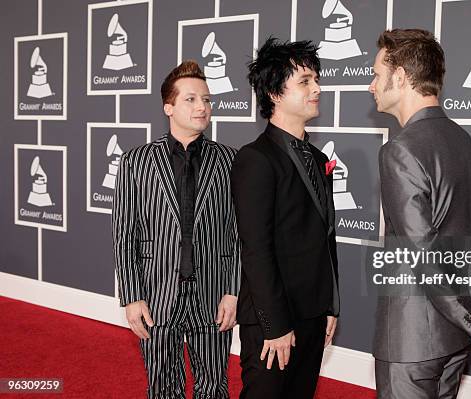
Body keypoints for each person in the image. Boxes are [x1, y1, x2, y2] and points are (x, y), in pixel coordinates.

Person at [368, 29, 471, 399]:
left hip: (411, 341)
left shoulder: (399, 150)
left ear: (400, 77)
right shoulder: (467, 145)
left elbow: (421, 252)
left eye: (377, 75)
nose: (371, 86)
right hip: (455, 340)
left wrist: (470, 319)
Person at [112, 60, 240, 399]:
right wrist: (132, 296)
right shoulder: (135, 161)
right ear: (168, 106)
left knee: (214, 387)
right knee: (163, 387)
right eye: (191, 99)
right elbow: (124, 234)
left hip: (213, 293)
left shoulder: (231, 160)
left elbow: (240, 233)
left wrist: (233, 290)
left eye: (208, 100)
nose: (202, 106)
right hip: (156, 293)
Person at [230, 37, 340, 399]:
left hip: (312, 313)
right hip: (271, 318)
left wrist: (330, 306)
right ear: (275, 93)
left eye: (316, 79)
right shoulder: (255, 159)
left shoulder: (317, 156)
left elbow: (326, 237)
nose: (317, 88)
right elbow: (256, 249)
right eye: (305, 81)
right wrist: (275, 326)